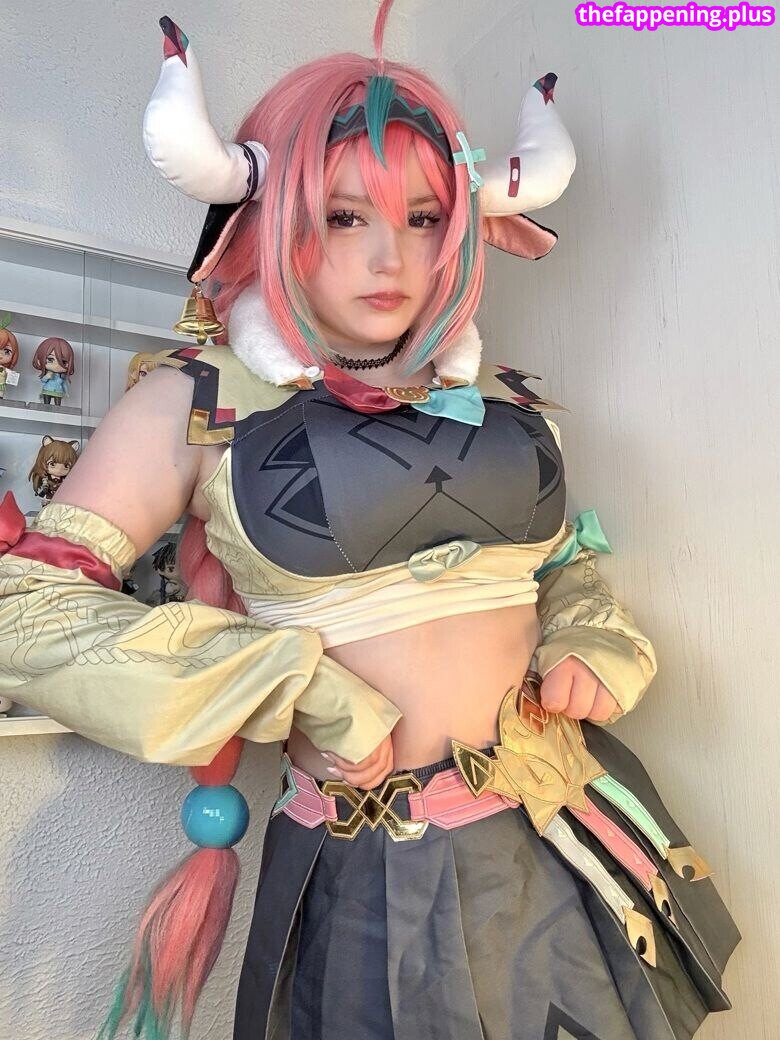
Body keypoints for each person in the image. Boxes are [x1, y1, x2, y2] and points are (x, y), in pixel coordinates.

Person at [0, 4, 739, 1039]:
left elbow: (555, 564)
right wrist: (287, 679)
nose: (390, 257)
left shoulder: (504, 399)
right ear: (273, 219)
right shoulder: (198, 397)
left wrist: (588, 633)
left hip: (571, 829)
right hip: (375, 871)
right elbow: (25, 608)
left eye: (424, 217)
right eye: (345, 217)